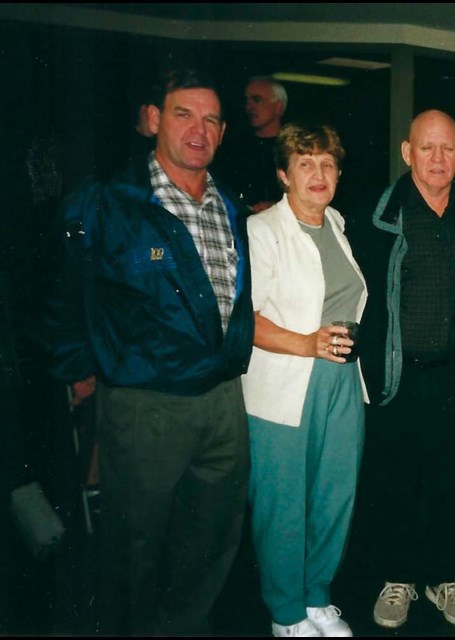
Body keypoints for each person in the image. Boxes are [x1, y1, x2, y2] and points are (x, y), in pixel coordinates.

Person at [43, 68, 253, 635]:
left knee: (213, 538)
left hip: (222, 400)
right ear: (155, 119)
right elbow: (68, 294)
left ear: (224, 130)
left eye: (211, 119)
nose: (198, 129)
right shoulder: (110, 203)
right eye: (184, 114)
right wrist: (77, 371)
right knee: (132, 547)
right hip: (146, 405)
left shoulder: (227, 205)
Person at [350, 109, 455, 630]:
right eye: (426, 148)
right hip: (397, 376)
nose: (437, 158)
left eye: (447, 148)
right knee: (393, 481)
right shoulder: (376, 213)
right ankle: (397, 577)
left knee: (452, 482)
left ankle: (446, 577)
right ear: (408, 153)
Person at [241, 123, 367, 637]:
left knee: (335, 495)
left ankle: (317, 597)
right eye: (305, 164)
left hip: (342, 380)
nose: (319, 174)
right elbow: (243, 319)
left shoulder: (335, 221)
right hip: (284, 384)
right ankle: (286, 613)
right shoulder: (262, 230)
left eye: (328, 164)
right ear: (283, 175)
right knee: (283, 504)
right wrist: (308, 343)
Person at [219, 76, 287, 213]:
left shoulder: (293, 149)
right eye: (247, 101)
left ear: (278, 107)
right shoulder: (234, 150)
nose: (249, 107)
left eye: (257, 100)